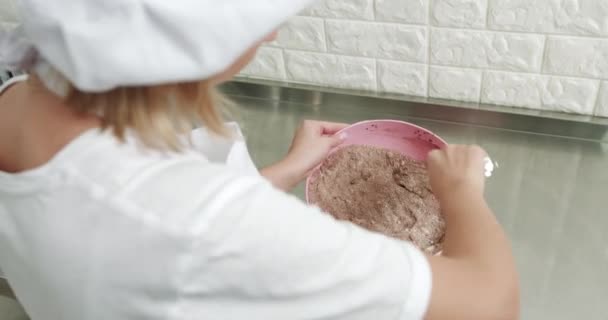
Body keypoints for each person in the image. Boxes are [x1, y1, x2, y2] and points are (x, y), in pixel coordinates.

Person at [0, 1, 519, 319]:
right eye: (254, 22)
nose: (271, 34)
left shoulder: (19, 98)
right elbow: (491, 304)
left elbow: (149, 230)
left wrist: (284, 173)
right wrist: (460, 192)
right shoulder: (200, 225)